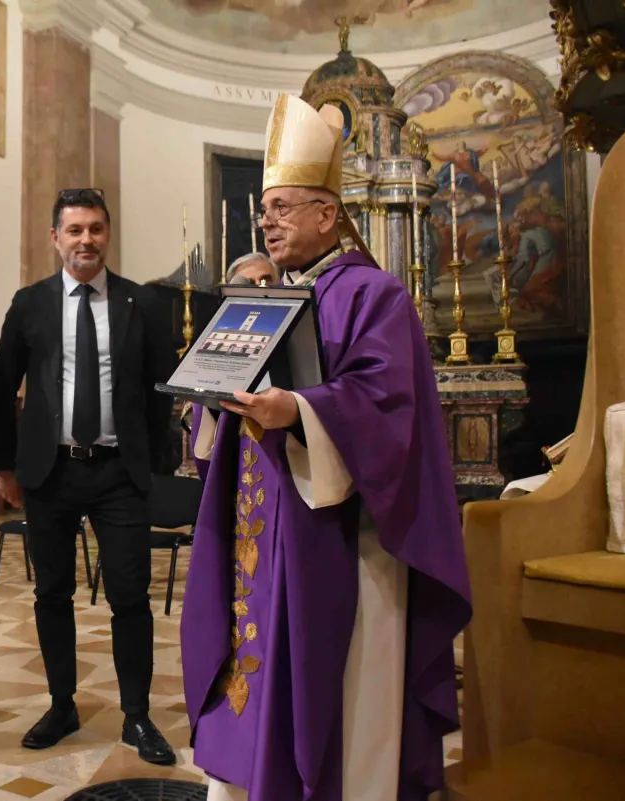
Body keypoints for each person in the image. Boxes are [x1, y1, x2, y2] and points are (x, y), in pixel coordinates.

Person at [181, 95, 472, 801]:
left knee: (339, 689)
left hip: (344, 538)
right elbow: (222, 410)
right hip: (261, 529)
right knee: (254, 664)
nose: (268, 221)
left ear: (327, 214)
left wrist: (301, 411)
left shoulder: (375, 295)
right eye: (264, 210)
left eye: (283, 207)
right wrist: (209, 397)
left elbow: (387, 408)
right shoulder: (263, 299)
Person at [0, 188, 179, 766]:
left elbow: (159, 390)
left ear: (107, 234)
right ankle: (61, 706)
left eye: (95, 228)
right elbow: (1, 388)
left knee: (130, 597)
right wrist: (4, 465)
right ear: (56, 238)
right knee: (52, 593)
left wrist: (154, 466)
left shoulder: (143, 303)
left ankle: (137, 715)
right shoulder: (29, 303)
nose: (86, 240)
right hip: (51, 472)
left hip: (120, 473)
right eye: (74, 230)